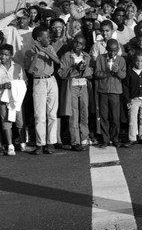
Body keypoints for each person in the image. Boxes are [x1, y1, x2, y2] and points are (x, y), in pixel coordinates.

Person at [25, 26, 60, 155]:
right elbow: (29, 70)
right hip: (39, 81)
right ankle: (40, 143)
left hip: (51, 80)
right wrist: (36, 54)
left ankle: (51, 143)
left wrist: (45, 50)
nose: (49, 38)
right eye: (46, 37)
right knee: (40, 115)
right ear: (39, 38)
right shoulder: (29, 51)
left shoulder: (50, 48)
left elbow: (57, 61)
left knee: (52, 113)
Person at [57, 34, 93, 151]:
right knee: (73, 114)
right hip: (71, 87)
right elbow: (61, 73)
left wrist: (82, 70)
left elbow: (90, 72)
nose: (78, 45)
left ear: (84, 46)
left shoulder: (86, 57)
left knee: (84, 112)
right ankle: (75, 141)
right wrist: (75, 69)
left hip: (83, 87)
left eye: (81, 43)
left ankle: (84, 137)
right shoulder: (66, 56)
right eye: (76, 42)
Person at [94, 39, 127, 148]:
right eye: (110, 50)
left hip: (115, 92)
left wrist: (117, 71)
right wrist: (106, 72)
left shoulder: (121, 60)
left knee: (115, 117)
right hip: (103, 91)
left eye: (114, 51)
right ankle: (105, 139)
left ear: (118, 50)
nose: (112, 53)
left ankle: (115, 138)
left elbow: (123, 76)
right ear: (106, 49)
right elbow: (96, 73)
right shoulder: (100, 58)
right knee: (104, 116)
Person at [0, 43, 27, 156]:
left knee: (20, 120)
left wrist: (15, 85)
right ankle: (10, 145)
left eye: (6, 55)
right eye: (1, 54)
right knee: (5, 121)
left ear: (11, 55)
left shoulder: (18, 67)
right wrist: (2, 86)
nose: (3, 57)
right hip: (3, 98)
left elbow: (25, 82)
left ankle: (23, 143)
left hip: (16, 98)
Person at [122, 52, 142, 147]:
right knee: (132, 119)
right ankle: (132, 138)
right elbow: (125, 88)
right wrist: (127, 100)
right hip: (134, 100)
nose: (139, 63)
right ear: (134, 61)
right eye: (137, 61)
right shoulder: (130, 73)